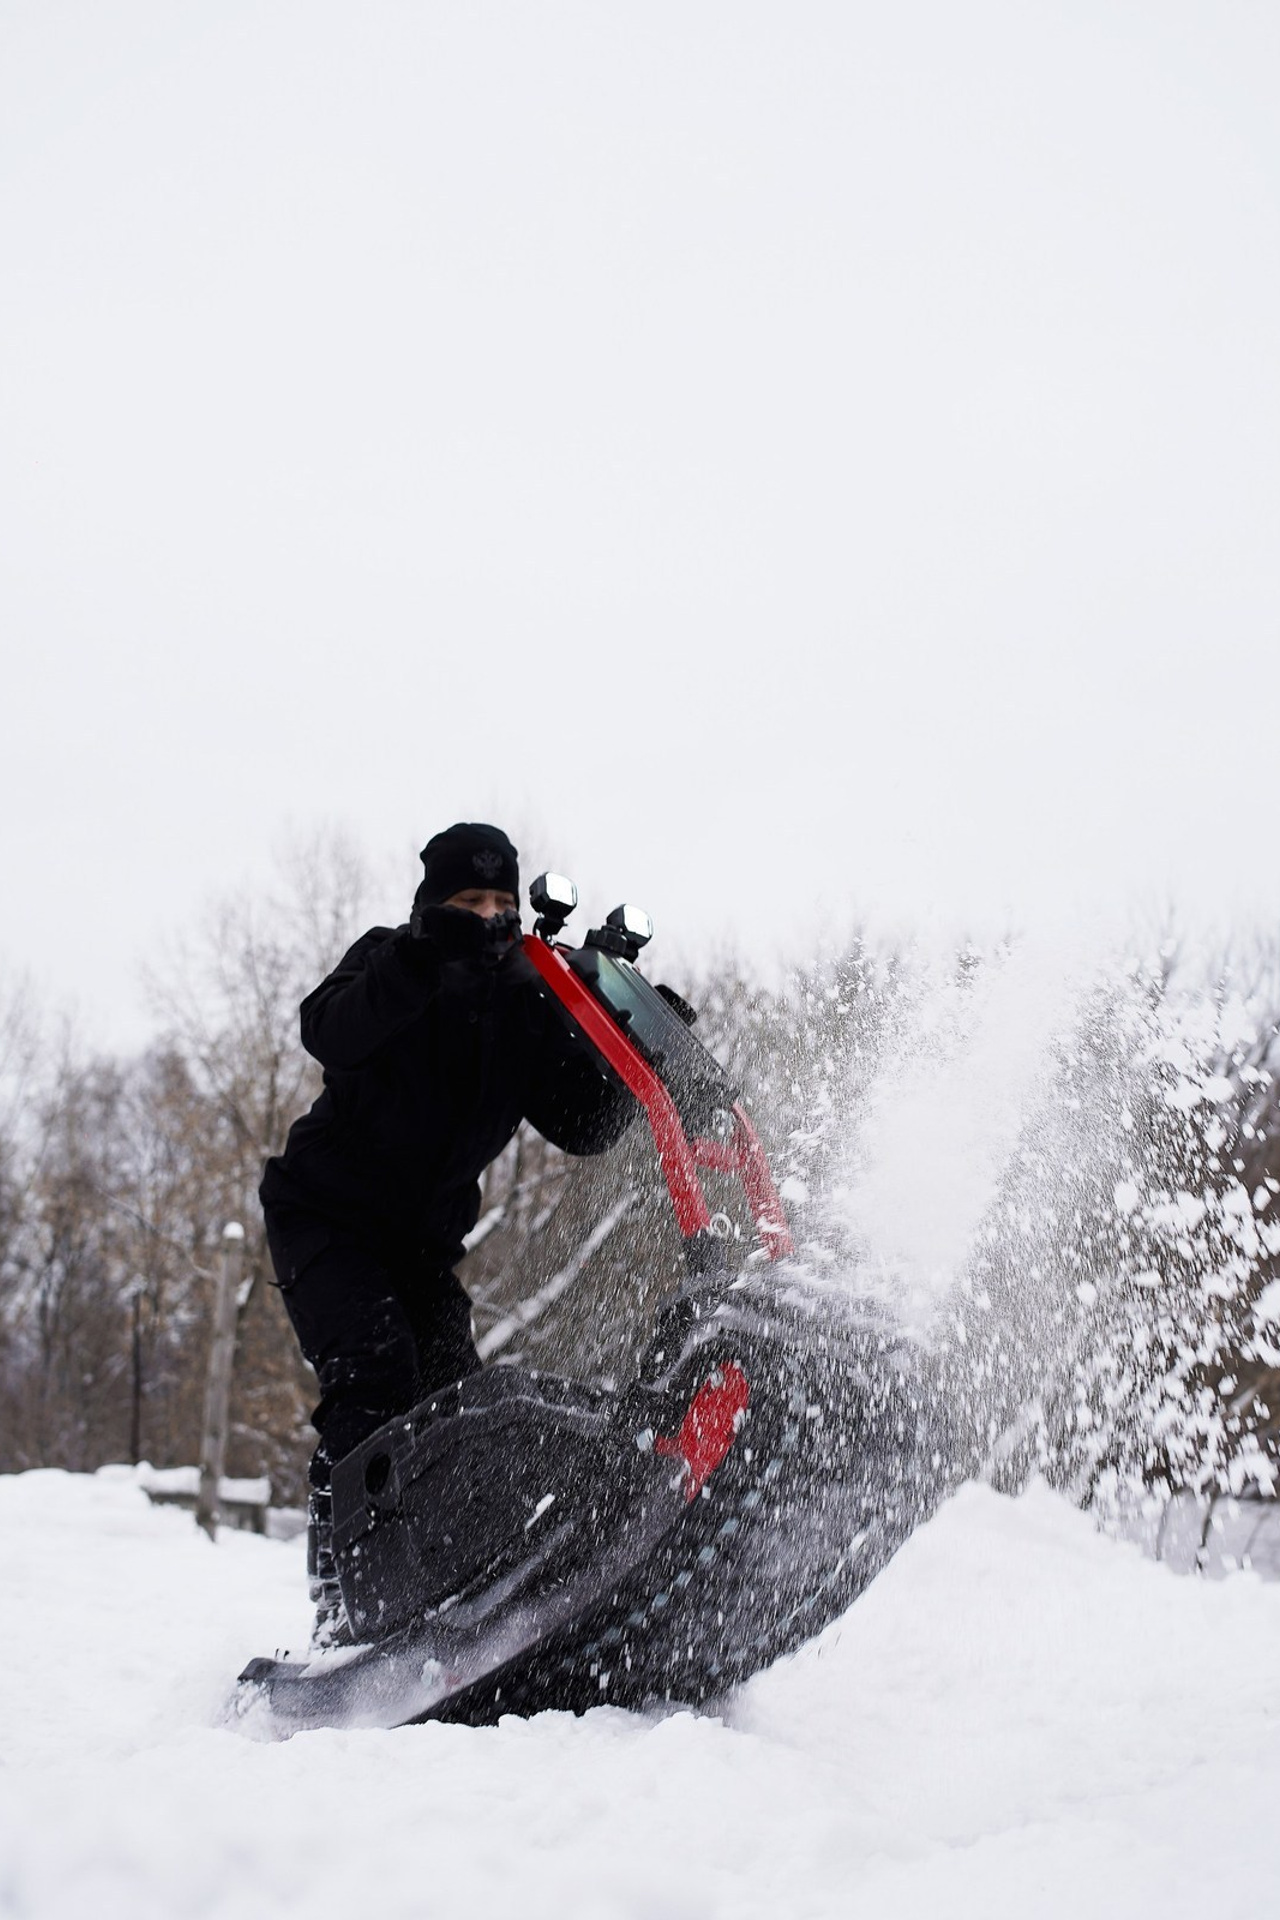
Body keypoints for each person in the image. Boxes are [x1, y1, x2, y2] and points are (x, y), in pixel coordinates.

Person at [259, 822, 637, 1643]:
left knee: (450, 1409)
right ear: (432, 906)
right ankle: (345, 1609)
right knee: (374, 1380)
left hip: (421, 1249)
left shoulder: (520, 1005)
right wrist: (425, 953)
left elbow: (585, 1125)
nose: (491, 916)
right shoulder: (392, 959)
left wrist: (625, 1033)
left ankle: (456, 1588)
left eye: (503, 900)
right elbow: (329, 1030)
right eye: (470, 901)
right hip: (325, 1217)